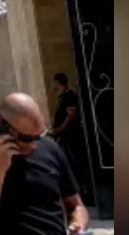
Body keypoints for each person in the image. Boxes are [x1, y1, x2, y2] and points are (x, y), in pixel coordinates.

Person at [0, 93, 89, 235]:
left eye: (39, 136)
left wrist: (78, 224)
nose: (34, 145)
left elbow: (76, 205)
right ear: (1, 125)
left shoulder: (50, 147)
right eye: (27, 138)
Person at [48, 73, 93, 204]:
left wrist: (59, 130)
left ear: (58, 82)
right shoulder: (62, 97)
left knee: (75, 165)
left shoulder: (70, 97)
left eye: (54, 82)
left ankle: (84, 194)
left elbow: (71, 117)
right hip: (65, 137)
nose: (52, 85)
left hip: (71, 138)